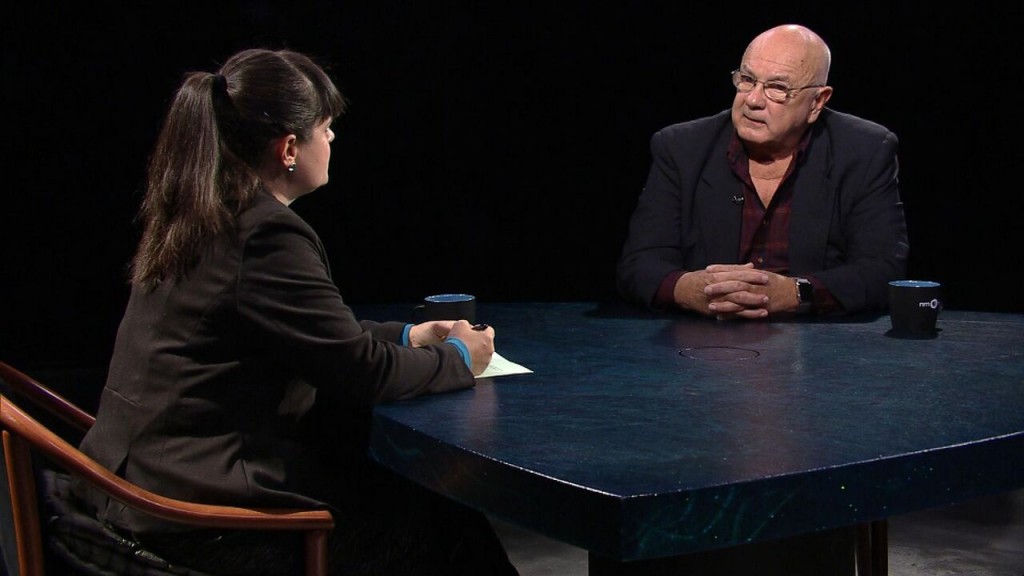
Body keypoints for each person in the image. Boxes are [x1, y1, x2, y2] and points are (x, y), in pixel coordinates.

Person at [73, 48, 518, 576]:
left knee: (418, 504)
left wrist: (408, 335)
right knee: (442, 525)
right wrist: (458, 356)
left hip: (135, 486)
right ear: (289, 147)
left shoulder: (200, 210)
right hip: (195, 520)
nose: (331, 141)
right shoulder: (265, 234)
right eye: (325, 129)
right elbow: (362, 373)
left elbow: (306, 330)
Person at [616, 24, 909, 320]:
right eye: (747, 80)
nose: (753, 100)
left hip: (818, 345)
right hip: (701, 343)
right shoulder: (681, 148)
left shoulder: (864, 150)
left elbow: (883, 269)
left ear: (817, 102)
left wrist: (797, 293)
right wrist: (690, 290)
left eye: (778, 88)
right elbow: (638, 264)